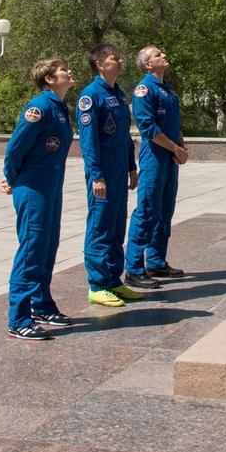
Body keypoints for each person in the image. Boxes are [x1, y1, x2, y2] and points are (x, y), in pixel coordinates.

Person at [0, 57, 76, 340]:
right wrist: (12, 178)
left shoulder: (59, 108)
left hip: (51, 187)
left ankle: (41, 305)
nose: (69, 72)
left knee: (47, 247)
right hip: (33, 188)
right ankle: (18, 319)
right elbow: (15, 148)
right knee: (32, 251)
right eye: (62, 70)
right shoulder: (39, 108)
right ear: (49, 79)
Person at [78, 42, 155, 307]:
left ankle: (113, 281)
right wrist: (96, 175)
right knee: (100, 227)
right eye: (114, 58)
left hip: (120, 168)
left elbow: (124, 136)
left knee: (116, 226)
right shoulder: (91, 96)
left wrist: (132, 166)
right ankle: (97, 284)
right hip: (103, 172)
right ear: (100, 64)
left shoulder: (118, 93)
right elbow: (88, 142)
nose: (120, 61)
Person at [124, 45, 188, 285]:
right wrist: (175, 149)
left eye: (163, 52)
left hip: (171, 158)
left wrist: (182, 148)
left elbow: (175, 124)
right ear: (148, 65)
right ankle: (133, 269)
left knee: (164, 211)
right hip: (155, 158)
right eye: (158, 54)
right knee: (147, 211)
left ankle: (156, 261)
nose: (164, 55)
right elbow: (148, 128)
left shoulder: (167, 90)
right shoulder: (144, 90)